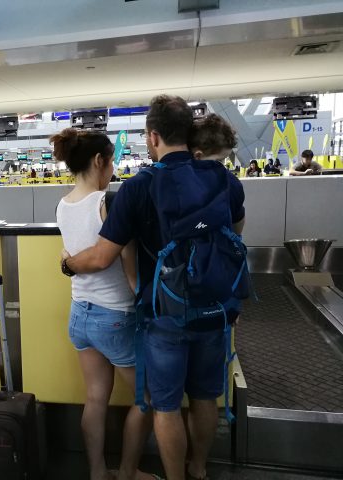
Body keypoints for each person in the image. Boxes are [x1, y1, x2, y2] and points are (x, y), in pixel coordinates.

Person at [62, 95, 245, 480]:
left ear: (153, 137)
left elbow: (103, 255)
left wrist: (69, 263)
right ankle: (198, 468)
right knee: (205, 396)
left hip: (164, 313)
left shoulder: (138, 188)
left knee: (164, 405)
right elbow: (236, 235)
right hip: (215, 309)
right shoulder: (225, 180)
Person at [53, 129, 155, 480]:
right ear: (99, 161)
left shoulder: (63, 205)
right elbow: (128, 265)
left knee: (96, 397)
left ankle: (97, 472)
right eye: (112, 162)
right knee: (146, 399)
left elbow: (73, 255)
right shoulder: (108, 203)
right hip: (115, 317)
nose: (112, 170)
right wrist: (143, 298)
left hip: (80, 314)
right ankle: (127, 472)